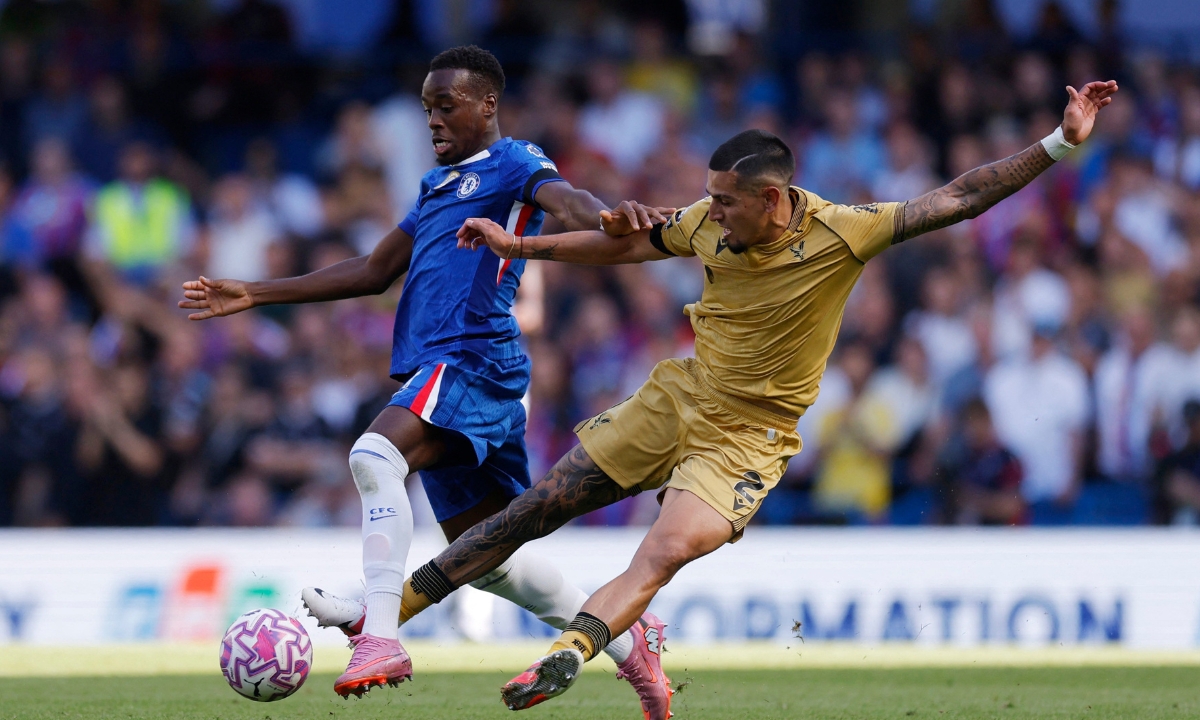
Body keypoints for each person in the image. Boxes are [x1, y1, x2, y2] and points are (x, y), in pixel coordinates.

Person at [362, 79, 1118, 714]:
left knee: (663, 550)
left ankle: (571, 652)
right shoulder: (707, 222)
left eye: (725, 201)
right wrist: (521, 245)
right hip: (680, 397)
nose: (709, 212)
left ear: (772, 197)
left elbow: (962, 196)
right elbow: (624, 244)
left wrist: (1059, 141)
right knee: (534, 510)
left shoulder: (845, 232)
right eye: (709, 198)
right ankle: (382, 621)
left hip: (748, 436)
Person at [177, 46, 670, 707]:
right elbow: (374, 270)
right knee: (491, 558)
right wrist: (256, 294)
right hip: (455, 371)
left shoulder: (514, 161)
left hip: (472, 358)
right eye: (426, 109)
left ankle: (378, 633)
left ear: (487, 105)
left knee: (374, 454)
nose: (433, 120)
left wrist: (606, 216)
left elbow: (567, 199)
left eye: (447, 105)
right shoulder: (435, 188)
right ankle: (636, 646)